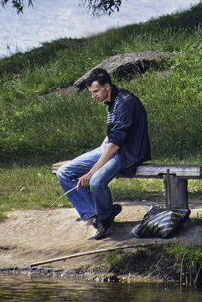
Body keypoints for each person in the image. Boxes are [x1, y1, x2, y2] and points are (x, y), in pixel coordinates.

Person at [56, 68, 151, 239]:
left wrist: (91, 171)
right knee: (64, 172)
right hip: (112, 147)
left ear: (107, 86)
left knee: (96, 181)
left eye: (95, 91)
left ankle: (105, 217)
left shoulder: (124, 102)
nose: (93, 96)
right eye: (91, 92)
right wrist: (101, 150)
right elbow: (113, 135)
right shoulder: (112, 100)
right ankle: (95, 216)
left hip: (128, 153)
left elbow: (115, 145)